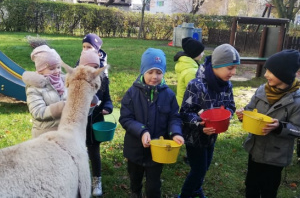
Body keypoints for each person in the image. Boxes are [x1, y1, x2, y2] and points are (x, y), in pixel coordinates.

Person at [119, 48, 185, 198]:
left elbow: (174, 117)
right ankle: (135, 192)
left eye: (159, 72)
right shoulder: (132, 93)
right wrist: (142, 131)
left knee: (153, 186)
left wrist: (175, 133)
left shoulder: (168, 95)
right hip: (135, 149)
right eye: (150, 72)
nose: (154, 77)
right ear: (143, 71)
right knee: (135, 178)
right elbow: (125, 118)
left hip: (157, 152)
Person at [236, 49, 300, 198]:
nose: (265, 75)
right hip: (255, 150)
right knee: (251, 185)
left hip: (276, 156)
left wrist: (280, 127)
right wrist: (243, 114)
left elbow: (298, 130)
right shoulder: (261, 90)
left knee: (268, 190)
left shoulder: (296, 101)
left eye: (270, 71)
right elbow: (250, 110)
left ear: (283, 74)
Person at [178, 44, 240, 198]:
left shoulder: (227, 86)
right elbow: (185, 112)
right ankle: (185, 195)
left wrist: (227, 114)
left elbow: (231, 105)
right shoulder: (196, 85)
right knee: (198, 170)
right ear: (217, 65)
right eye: (230, 68)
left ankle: (197, 189)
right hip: (195, 137)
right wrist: (200, 124)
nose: (233, 72)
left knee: (204, 168)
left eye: (235, 68)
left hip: (212, 136)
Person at [76, 34, 113, 197]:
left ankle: (96, 179)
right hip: (78, 122)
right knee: (77, 152)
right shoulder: (75, 78)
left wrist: (108, 107)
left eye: (89, 47)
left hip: (95, 122)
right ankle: (78, 180)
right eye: (83, 47)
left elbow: (107, 99)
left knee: (93, 152)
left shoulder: (103, 78)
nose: (85, 49)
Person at [22, 45, 67, 138]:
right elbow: (38, 112)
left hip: (64, 131)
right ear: (40, 70)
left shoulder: (63, 81)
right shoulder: (34, 87)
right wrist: (62, 107)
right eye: (51, 69)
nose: (56, 71)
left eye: (58, 67)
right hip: (45, 135)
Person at [174, 37, 205, 107]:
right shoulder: (191, 72)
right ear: (194, 53)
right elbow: (194, 92)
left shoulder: (186, 65)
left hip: (182, 102)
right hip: (188, 106)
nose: (204, 53)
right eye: (201, 52)